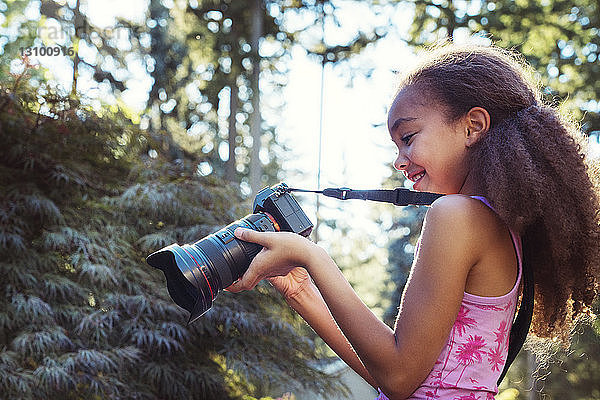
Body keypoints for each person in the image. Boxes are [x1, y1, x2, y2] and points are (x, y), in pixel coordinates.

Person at [226, 44, 600, 399]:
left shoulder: (456, 216)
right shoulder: (499, 229)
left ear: (473, 126)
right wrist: (303, 292)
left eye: (408, 137)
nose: (399, 160)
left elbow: (400, 378)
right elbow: (394, 375)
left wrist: (314, 256)